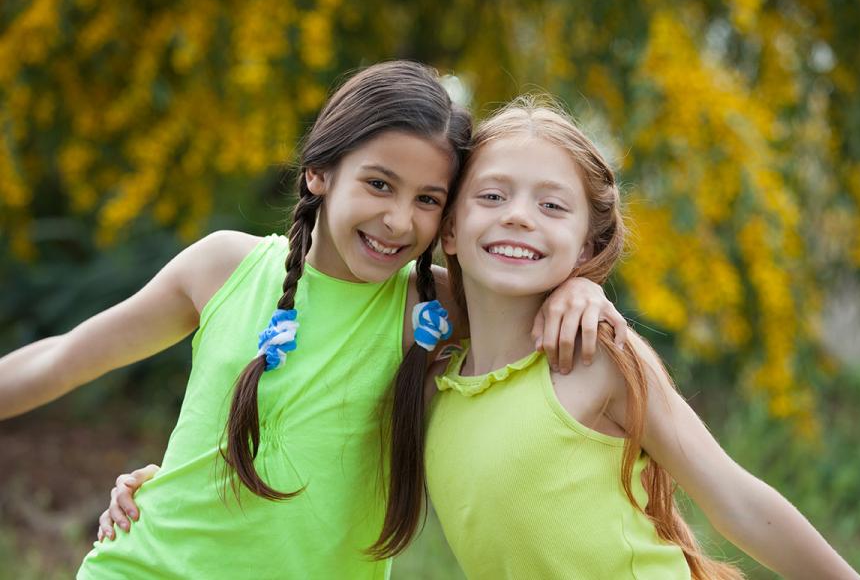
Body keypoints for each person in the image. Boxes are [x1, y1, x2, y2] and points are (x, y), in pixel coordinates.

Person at [0, 64, 626, 579]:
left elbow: (530, 277)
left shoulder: (437, 308)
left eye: (428, 200)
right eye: (379, 184)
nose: (398, 221)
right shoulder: (225, 267)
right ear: (319, 172)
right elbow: (62, 359)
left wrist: (582, 290)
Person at [417, 98, 858, 578]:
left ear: (585, 244)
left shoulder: (595, 356)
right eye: (492, 196)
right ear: (451, 228)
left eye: (552, 205)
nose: (520, 216)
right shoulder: (437, 372)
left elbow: (736, 500)